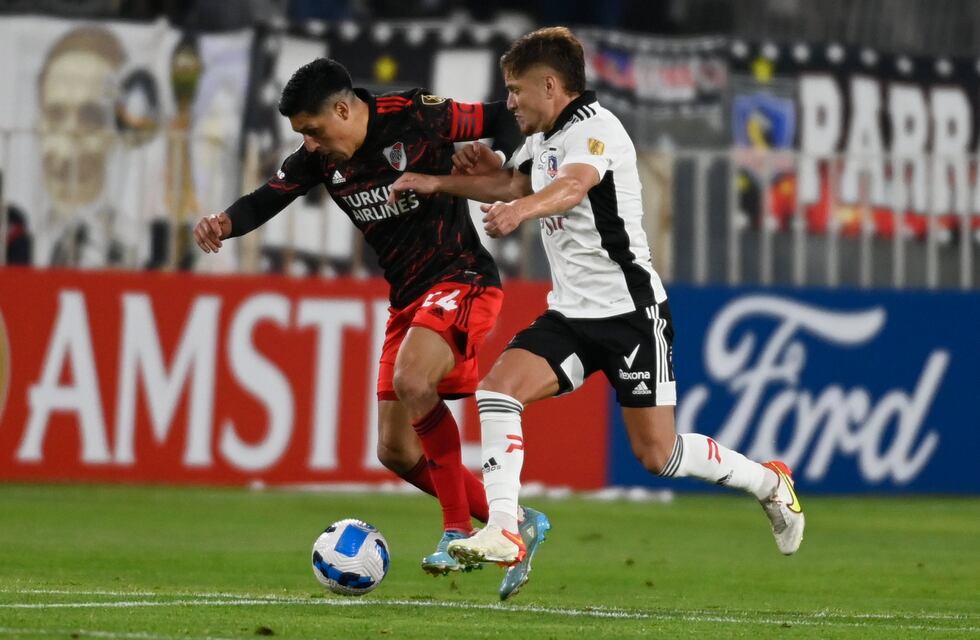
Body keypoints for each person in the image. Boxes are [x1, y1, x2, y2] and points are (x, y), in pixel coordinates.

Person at [390, 26, 805, 594]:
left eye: (515, 90)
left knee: (658, 454)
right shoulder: (542, 139)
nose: (508, 102)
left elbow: (574, 186)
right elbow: (514, 181)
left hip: (632, 313)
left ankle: (768, 481)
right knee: (497, 392)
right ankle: (506, 530)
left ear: (551, 84)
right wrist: (440, 181)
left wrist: (523, 211)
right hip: (571, 316)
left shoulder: (597, 129)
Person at [192, 58, 550, 589]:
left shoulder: (417, 115)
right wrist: (225, 222)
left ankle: (456, 530)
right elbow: (269, 197)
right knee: (396, 451)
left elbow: (502, 117)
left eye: (313, 130)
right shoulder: (319, 157)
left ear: (342, 108)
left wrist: (501, 161)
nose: (309, 144)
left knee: (412, 380)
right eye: (301, 135)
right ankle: (516, 521)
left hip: (463, 277)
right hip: (408, 299)